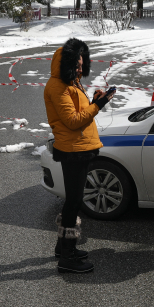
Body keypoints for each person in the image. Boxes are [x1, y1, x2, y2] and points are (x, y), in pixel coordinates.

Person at [44, 38, 113, 273]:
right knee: (74, 202)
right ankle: (68, 256)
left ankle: (63, 247)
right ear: (67, 64)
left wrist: (93, 102)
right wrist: (99, 106)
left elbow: (80, 113)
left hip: (79, 148)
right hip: (73, 150)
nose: (81, 69)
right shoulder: (59, 87)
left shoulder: (71, 84)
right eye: (78, 64)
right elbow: (73, 121)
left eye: (83, 64)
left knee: (73, 201)